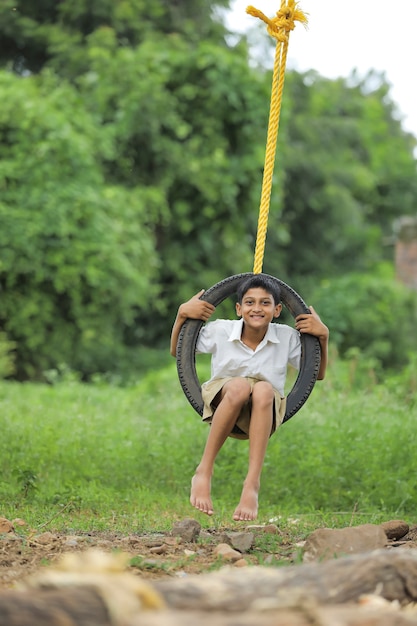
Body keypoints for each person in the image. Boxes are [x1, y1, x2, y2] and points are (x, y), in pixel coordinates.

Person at [170, 274, 329, 522]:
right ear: (238, 308)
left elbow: (315, 374)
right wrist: (182, 314)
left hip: (262, 410)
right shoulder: (221, 330)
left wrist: (323, 338)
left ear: (277, 310)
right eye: (250, 302)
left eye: (265, 303)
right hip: (225, 398)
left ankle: (252, 484)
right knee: (240, 386)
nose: (257, 308)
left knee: (264, 389)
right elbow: (178, 351)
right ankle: (204, 470)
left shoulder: (286, 336)